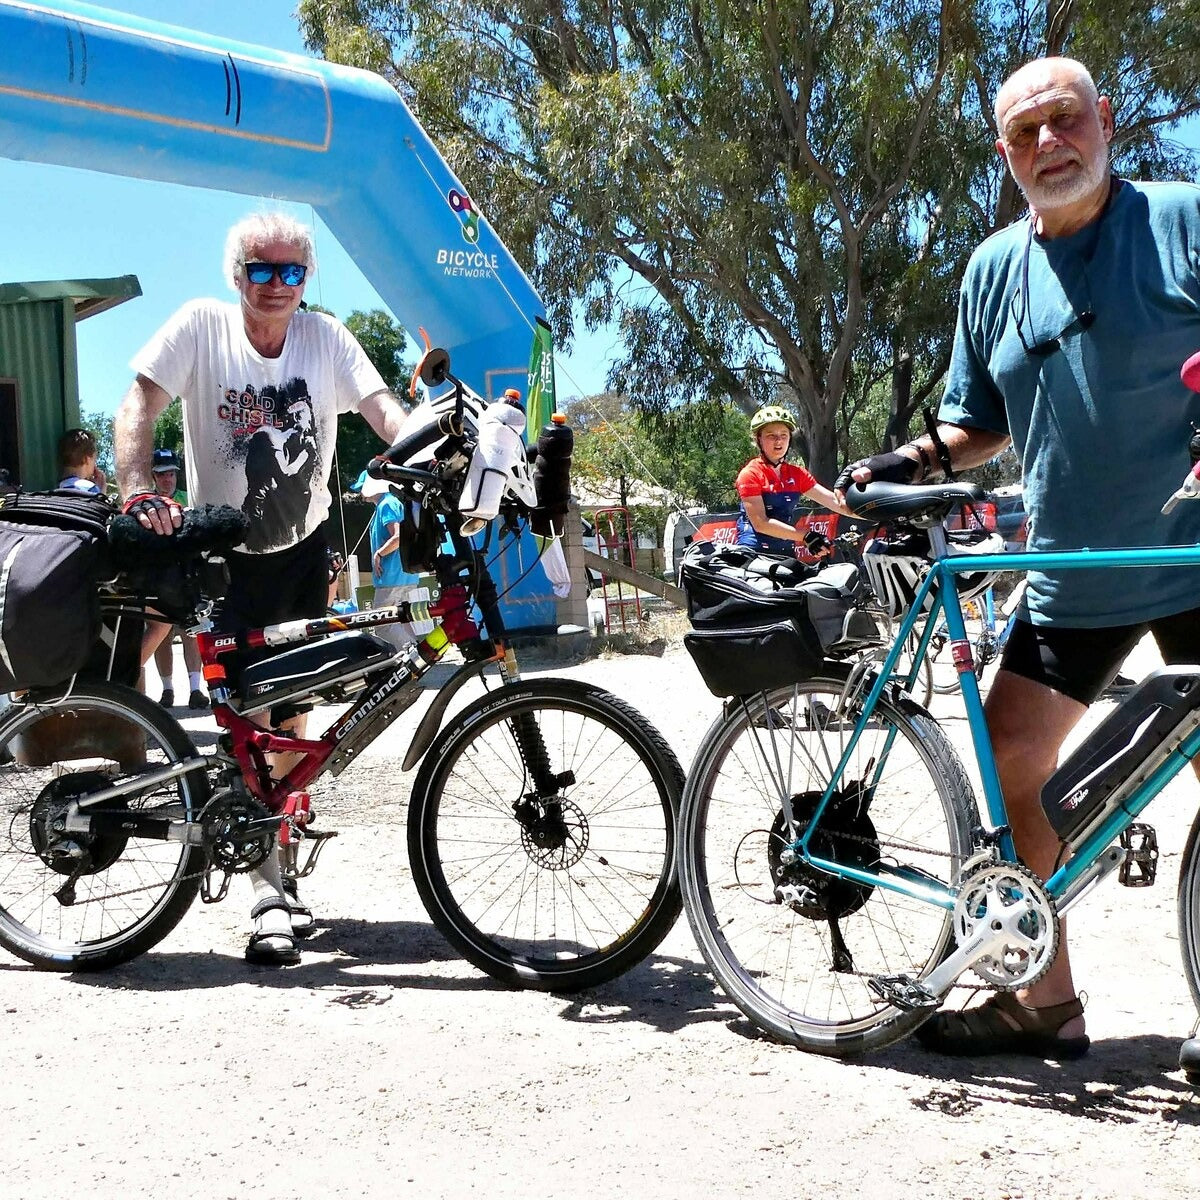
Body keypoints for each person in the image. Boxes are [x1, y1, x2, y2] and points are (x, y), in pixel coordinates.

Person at [837, 57, 1200, 1064]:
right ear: (1005, 153)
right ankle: (1041, 1004)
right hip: (1071, 573)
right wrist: (902, 458)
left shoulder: (1183, 220)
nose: (1051, 143)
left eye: (1065, 119)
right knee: (1009, 765)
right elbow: (975, 421)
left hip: (1195, 560)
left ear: (1106, 121)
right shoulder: (993, 269)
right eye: (1026, 131)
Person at [114, 210, 408, 968]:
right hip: (226, 555)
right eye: (260, 270)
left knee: (296, 719)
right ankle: (267, 893)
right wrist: (138, 484)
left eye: (291, 272)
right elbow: (138, 403)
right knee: (248, 722)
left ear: (307, 279)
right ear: (235, 275)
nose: (276, 285)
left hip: (305, 551)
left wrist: (424, 452)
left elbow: (383, 413)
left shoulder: (326, 338)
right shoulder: (201, 326)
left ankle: (270, 849)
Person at [735, 405, 855, 558]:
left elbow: (834, 501)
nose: (778, 441)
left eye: (784, 435)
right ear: (759, 439)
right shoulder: (750, 474)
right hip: (753, 552)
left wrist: (875, 513)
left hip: (785, 551)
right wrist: (807, 537)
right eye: (771, 435)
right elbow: (761, 523)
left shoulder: (796, 474)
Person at [141, 449, 207, 709]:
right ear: (153, 477)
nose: (167, 479)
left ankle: (195, 689)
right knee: (160, 634)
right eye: (162, 474)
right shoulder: (144, 503)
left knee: (191, 631)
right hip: (157, 578)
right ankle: (167, 689)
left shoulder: (188, 500)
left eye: (171, 473)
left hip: (187, 577)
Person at [351, 468, 423, 648]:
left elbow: (398, 537)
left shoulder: (386, 504)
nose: (360, 493)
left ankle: (415, 656)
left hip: (392, 576)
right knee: (400, 618)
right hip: (403, 575)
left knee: (382, 624)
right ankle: (417, 655)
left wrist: (379, 553)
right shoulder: (389, 503)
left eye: (362, 488)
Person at [56, 428, 107, 494]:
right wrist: (101, 491)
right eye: (94, 459)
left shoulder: (59, 488)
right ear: (86, 459)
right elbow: (97, 504)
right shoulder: (89, 488)